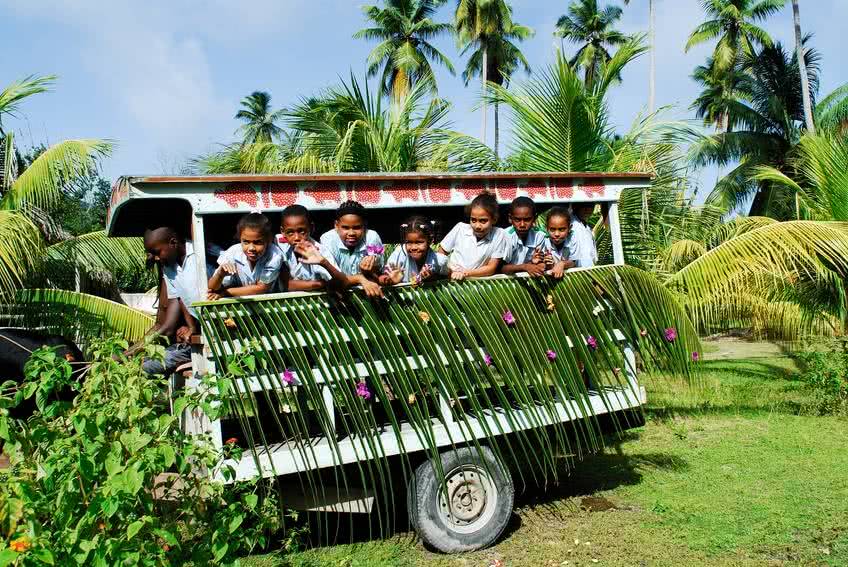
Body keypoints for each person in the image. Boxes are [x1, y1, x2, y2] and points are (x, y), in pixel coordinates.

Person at [137, 227, 216, 375]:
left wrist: (127, 355)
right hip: (198, 336)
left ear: (173, 243)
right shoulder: (169, 267)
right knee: (144, 362)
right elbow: (180, 299)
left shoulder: (202, 253)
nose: (155, 258)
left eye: (156, 252)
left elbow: (166, 327)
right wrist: (192, 326)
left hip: (217, 331)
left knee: (144, 367)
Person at [208, 212, 283, 300]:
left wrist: (225, 293)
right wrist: (220, 274)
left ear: (269, 240)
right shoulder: (233, 252)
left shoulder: (274, 255)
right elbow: (212, 287)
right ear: (240, 239)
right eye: (246, 242)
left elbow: (262, 288)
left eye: (258, 242)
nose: (251, 248)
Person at [438, 191, 510, 281]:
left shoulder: (499, 235)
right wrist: (448, 271)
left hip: (475, 286)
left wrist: (465, 273)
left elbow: (491, 268)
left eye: (483, 221)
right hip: (450, 280)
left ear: (494, 219)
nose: (477, 226)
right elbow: (441, 252)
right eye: (473, 220)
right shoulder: (460, 228)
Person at [276, 204, 349, 292]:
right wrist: (322, 284)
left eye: (301, 231)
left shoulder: (320, 251)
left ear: (311, 227)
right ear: (282, 231)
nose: (296, 238)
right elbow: (287, 285)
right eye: (290, 232)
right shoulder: (278, 244)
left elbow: (342, 282)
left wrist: (323, 262)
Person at [319, 200, 384, 297]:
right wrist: (360, 278)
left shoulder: (372, 237)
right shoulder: (328, 239)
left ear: (365, 226)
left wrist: (370, 269)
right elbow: (333, 282)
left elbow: (378, 273)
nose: (351, 233)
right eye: (345, 227)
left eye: (357, 227)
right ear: (336, 226)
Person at [379, 215, 445, 285]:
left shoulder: (439, 260)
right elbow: (381, 278)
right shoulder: (399, 254)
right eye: (409, 242)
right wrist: (389, 280)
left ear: (430, 240)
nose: (413, 247)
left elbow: (448, 276)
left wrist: (431, 278)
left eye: (419, 242)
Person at [501, 196, 547, 277]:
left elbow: (540, 264)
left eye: (527, 220)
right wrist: (525, 267)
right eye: (517, 220)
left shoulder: (540, 236)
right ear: (510, 219)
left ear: (535, 218)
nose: (522, 225)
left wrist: (538, 264)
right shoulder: (505, 236)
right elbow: (501, 268)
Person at [543, 207, 577, 279]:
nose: (557, 234)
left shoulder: (573, 240)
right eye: (552, 229)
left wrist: (562, 264)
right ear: (546, 228)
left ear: (569, 228)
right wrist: (547, 264)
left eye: (561, 230)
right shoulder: (543, 243)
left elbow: (574, 261)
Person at [569, 203, 599, 268]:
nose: (587, 209)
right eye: (583, 206)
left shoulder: (586, 227)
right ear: (575, 206)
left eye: (590, 206)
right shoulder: (571, 225)